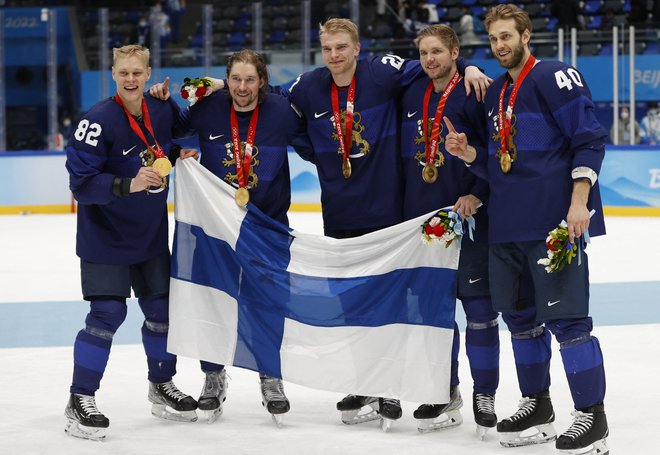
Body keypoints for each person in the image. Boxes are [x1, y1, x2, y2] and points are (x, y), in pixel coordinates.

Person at [283, 17, 491, 431]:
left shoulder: (387, 73)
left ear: (358, 48)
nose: (335, 54)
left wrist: (468, 65)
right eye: (328, 48)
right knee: (363, 308)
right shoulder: (309, 86)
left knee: (464, 312)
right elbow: (271, 101)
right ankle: (373, 383)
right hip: (350, 220)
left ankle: (460, 393)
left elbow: (439, 64)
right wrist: (217, 87)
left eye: (342, 46)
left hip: (399, 223)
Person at [444, 4, 609, 454]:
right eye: (494, 38)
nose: (500, 45)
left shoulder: (556, 76)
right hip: (506, 229)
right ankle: (538, 405)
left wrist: (580, 205)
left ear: (526, 36)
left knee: (569, 322)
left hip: (553, 226)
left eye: (506, 37)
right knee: (520, 323)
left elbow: (589, 140)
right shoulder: (496, 92)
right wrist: (469, 155)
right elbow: (504, 163)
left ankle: (592, 418)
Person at [149, 49, 311, 426]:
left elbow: (311, 132)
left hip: (268, 227)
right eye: (234, 79)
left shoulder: (281, 111)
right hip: (217, 229)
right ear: (227, 80)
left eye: (250, 79)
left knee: (268, 303)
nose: (242, 87)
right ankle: (213, 376)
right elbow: (174, 131)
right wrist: (163, 99)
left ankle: (270, 376)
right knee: (214, 302)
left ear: (262, 81)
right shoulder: (208, 108)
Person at [64, 44, 198, 441]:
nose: (131, 79)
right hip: (105, 238)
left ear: (148, 72)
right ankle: (79, 398)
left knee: (161, 313)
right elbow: (81, 184)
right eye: (124, 73)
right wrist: (128, 183)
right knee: (107, 316)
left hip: (150, 234)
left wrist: (181, 151)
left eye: (138, 72)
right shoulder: (96, 121)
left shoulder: (160, 108)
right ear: (112, 74)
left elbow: (169, 145)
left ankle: (161, 385)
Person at [400, 23, 499, 439]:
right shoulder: (409, 93)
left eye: (438, 51)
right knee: (434, 318)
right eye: (424, 52)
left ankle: (485, 393)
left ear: (455, 51)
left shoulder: (476, 92)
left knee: (478, 314)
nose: (430, 59)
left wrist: (478, 193)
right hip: (425, 227)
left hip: (470, 221)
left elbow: (498, 149)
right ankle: (444, 391)